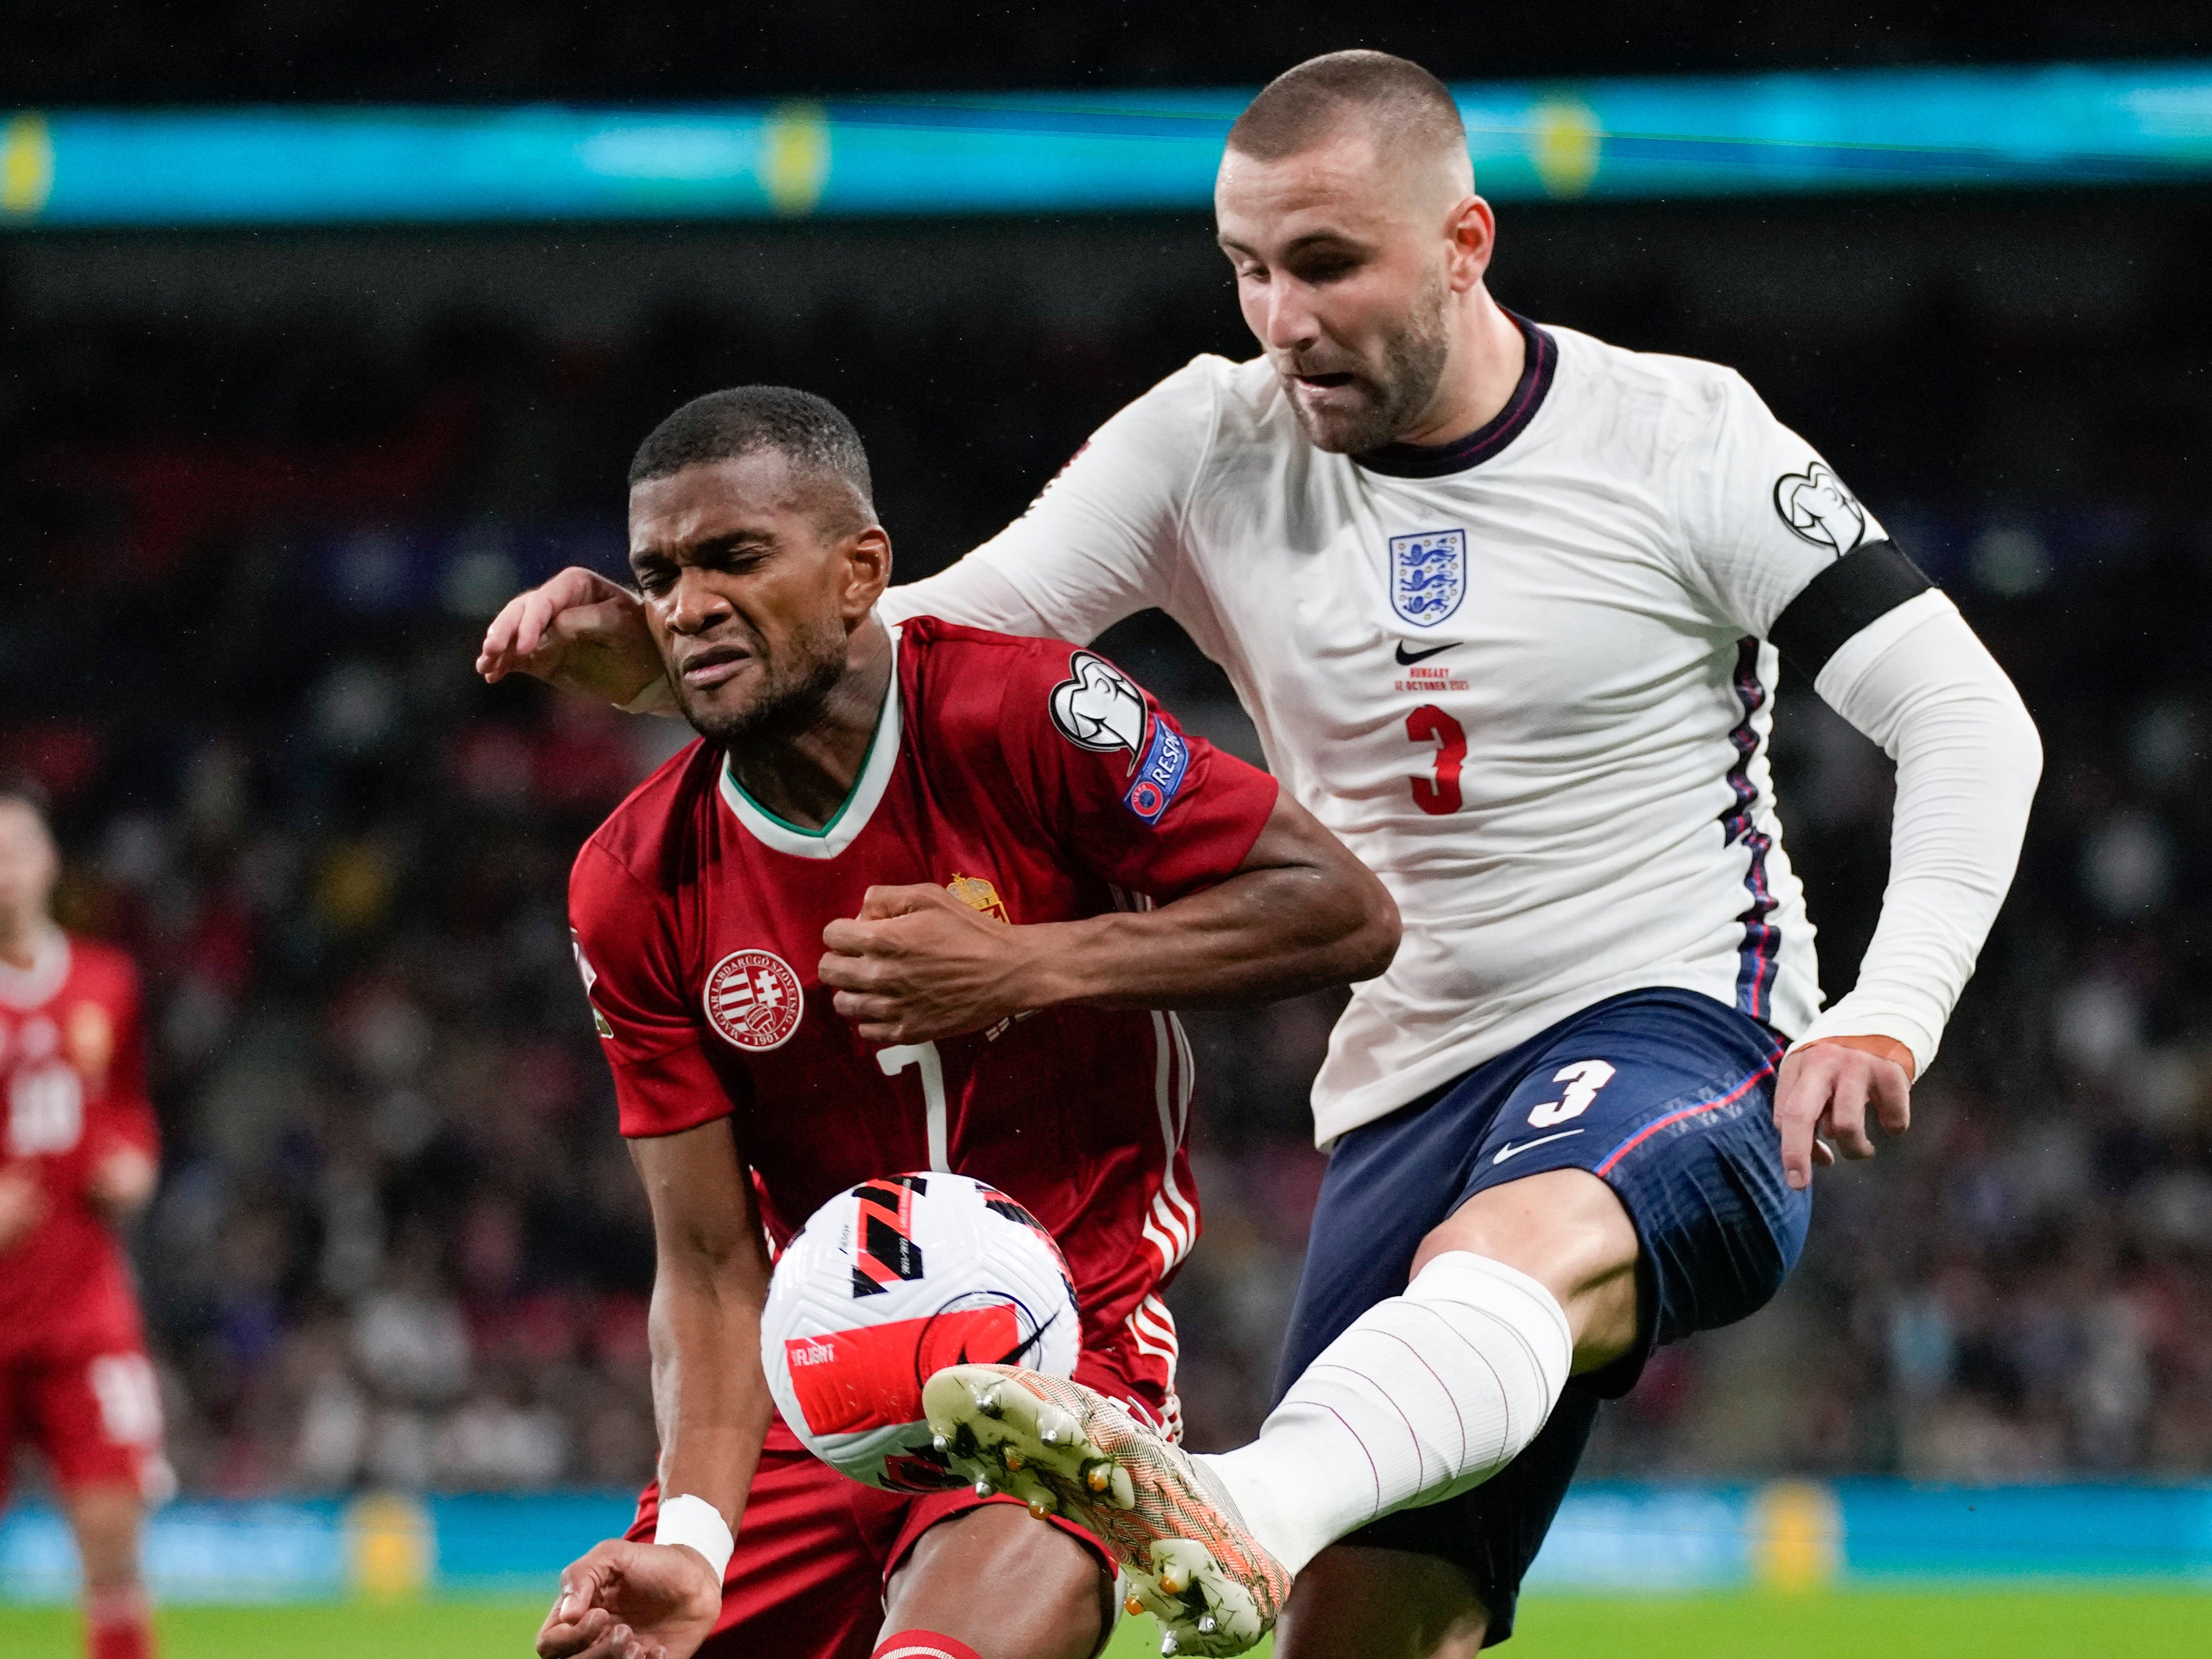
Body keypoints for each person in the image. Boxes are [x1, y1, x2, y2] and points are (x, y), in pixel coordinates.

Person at [481, 52, 2044, 1659]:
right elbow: (912, 640)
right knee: (1356, 1638)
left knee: (1491, 1259)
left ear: (1465, 243)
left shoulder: (1682, 438)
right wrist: (675, 662)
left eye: (1324, 264)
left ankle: (1243, 1501)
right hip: (1403, 1088)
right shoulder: (1211, 442)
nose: (1279, 316)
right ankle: (1258, 1514)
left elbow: (1968, 717)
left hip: (1673, 1021)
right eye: (1245, 269)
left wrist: (1888, 1006)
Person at [530, 387, 1398, 1659]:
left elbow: (1341, 908)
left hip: (1061, 1363)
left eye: (735, 558)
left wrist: (1027, 968)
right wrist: (698, 1547)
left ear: (860, 571)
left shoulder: (1028, 716)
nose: (687, 604)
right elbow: (714, 1266)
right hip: (805, 1390)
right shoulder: (631, 879)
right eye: (658, 573)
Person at [0, 779, 169, 1659]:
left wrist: (135, 1165)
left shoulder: (108, 983)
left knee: (113, 1548)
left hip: (84, 1311)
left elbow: (131, 1109)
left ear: (50, 863)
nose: (4, 874)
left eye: (17, 852)